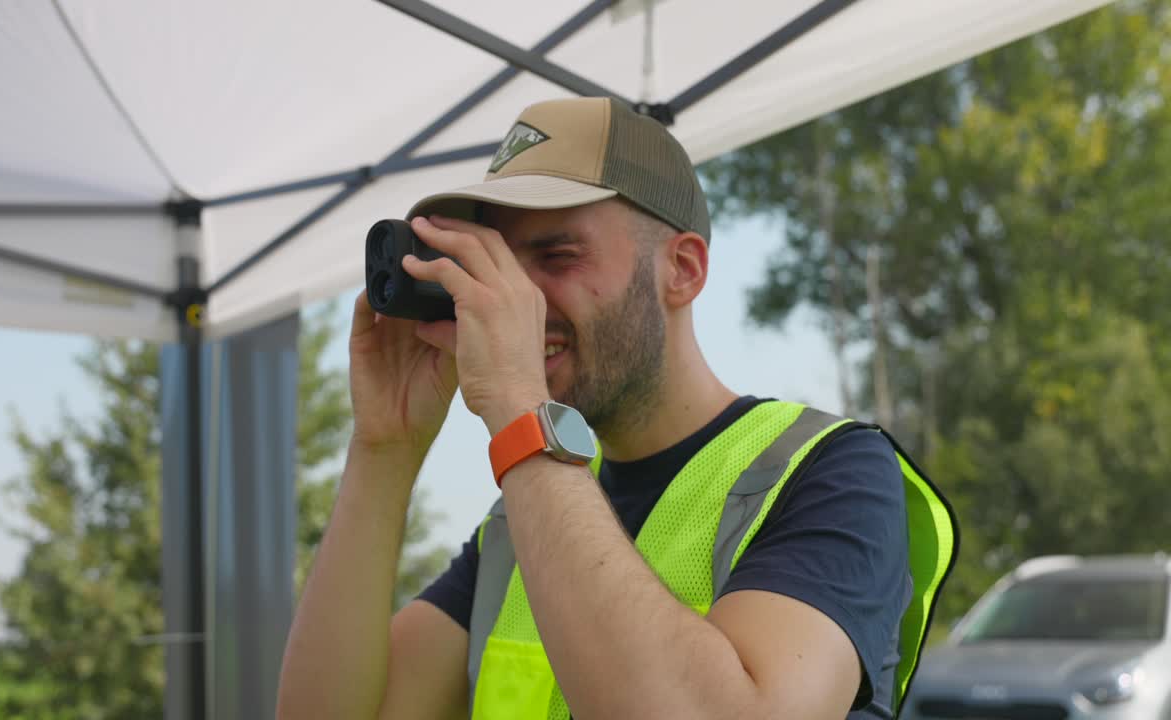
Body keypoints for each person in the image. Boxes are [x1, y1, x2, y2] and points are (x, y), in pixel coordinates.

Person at [276, 97, 957, 720]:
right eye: (499, 266)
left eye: (555, 256)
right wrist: (384, 448)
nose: (516, 297)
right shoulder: (519, 527)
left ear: (683, 270)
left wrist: (519, 405)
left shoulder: (828, 472)